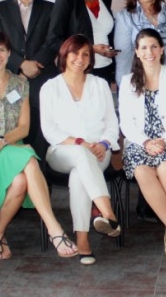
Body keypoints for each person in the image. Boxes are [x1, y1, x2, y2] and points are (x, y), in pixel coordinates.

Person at [0, 30, 79, 260]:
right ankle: (54, 230)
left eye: (1, 50)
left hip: (13, 145)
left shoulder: (20, 84)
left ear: (8, 54)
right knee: (29, 159)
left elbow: (24, 128)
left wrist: (4, 142)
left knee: (20, 180)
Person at [40, 35, 122, 265]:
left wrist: (104, 144)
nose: (80, 58)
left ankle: (83, 240)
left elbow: (112, 122)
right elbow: (49, 130)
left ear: (91, 59)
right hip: (62, 150)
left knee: (80, 174)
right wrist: (79, 142)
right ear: (64, 56)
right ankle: (107, 212)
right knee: (80, 154)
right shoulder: (50, 87)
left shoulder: (100, 85)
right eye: (75, 53)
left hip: (99, 152)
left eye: (86, 54)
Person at [118, 29, 166, 259]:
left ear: (162, 50)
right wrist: (146, 142)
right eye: (143, 47)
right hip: (139, 143)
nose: (149, 52)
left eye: (154, 46)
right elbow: (126, 123)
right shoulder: (127, 81)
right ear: (136, 52)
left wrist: (164, 140)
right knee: (142, 171)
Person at [0, 0, 56, 153]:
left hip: (42, 76)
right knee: (13, 125)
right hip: (10, 76)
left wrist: (34, 64)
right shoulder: (0, 9)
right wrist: (20, 64)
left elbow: (54, 40)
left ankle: (41, 170)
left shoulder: (51, 8)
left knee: (42, 127)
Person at [45, 0, 119, 85]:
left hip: (105, 67)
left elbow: (103, 30)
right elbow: (53, 40)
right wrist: (92, 48)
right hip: (77, 67)